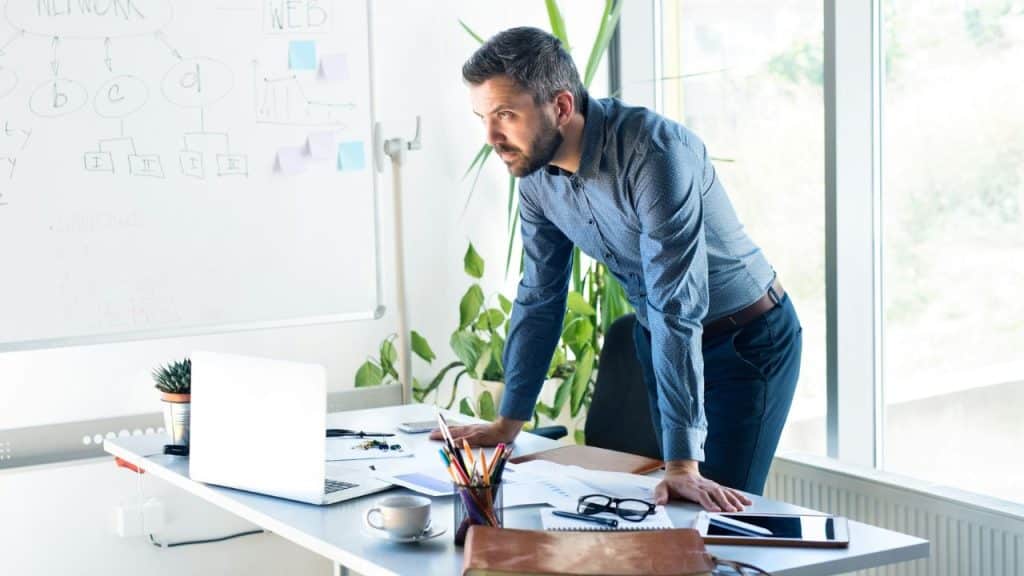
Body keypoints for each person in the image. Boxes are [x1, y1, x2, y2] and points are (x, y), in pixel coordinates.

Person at [432, 27, 802, 512]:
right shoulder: (536, 178)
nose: (491, 138)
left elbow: (676, 305)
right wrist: (509, 421)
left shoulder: (654, 154)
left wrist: (683, 463)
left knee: (716, 517)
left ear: (561, 107)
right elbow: (540, 294)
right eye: (483, 118)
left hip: (746, 342)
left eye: (505, 115)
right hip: (660, 339)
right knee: (665, 512)